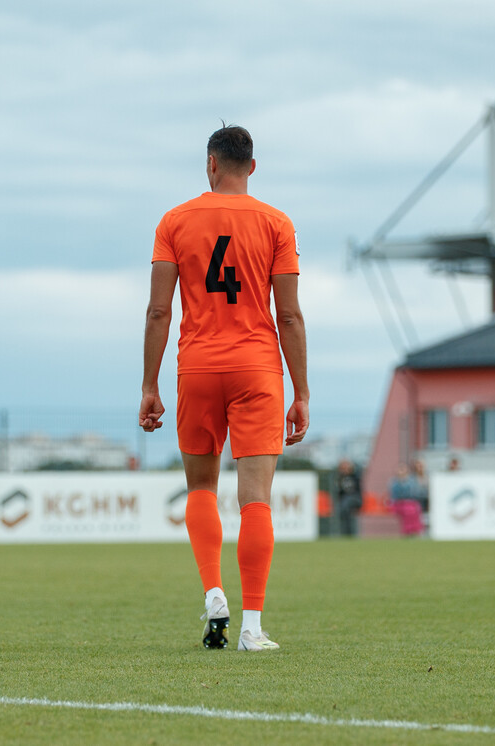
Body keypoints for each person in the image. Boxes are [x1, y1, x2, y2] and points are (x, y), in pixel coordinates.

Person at [139, 123, 308, 652]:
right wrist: (300, 392)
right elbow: (291, 316)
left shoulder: (175, 220)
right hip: (257, 369)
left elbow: (159, 310)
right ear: (251, 167)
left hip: (199, 367)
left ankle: (214, 593)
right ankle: (253, 628)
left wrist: (149, 384)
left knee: (200, 489)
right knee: (256, 499)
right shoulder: (277, 223)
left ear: (211, 163)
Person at [389, 464, 424, 538]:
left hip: (411, 502)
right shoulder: (394, 482)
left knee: (413, 509)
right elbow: (394, 495)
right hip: (399, 503)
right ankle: (408, 531)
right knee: (407, 509)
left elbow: (415, 493)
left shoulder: (412, 481)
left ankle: (414, 531)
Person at [334, 459, 363, 537]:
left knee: (347, 500)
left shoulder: (355, 476)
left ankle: (349, 533)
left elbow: (356, 490)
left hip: (356, 499)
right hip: (345, 503)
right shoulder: (340, 478)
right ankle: (345, 533)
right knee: (344, 509)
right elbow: (339, 492)